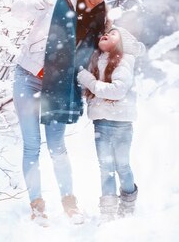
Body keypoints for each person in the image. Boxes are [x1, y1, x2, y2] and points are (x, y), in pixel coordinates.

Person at [11, 0, 112, 225]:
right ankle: (37, 205)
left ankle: (69, 202)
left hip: (59, 86)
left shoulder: (96, 19)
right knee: (32, 146)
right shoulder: (56, 1)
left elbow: (113, 46)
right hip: (28, 79)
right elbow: (16, 9)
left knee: (57, 146)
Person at [76, 27, 145, 222]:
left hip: (121, 124)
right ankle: (107, 212)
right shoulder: (97, 61)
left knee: (122, 165)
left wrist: (89, 80)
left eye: (114, 33)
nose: (106, 34)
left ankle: (128, 205)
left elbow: (117, 91)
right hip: (101, 123)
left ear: (122, 42)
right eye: (106, 32)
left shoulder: (124, 61)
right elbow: (92, 90)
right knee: (106, 166)